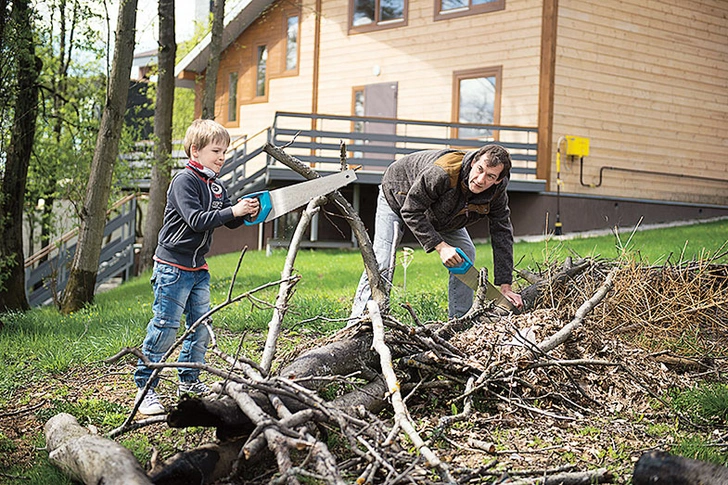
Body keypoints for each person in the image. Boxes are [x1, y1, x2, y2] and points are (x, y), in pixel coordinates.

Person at [134, 119, 260, 415]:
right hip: (172, 266)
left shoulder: (215, 186)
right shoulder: (184, 182)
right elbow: (197, 219)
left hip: (197, 268)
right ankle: (145, 387)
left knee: (201, 326)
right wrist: (233, 210)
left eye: (225, 151)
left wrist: (245, 212)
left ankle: (189, 381)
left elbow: (227, 219)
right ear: (195, 151)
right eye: (216, 150)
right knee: (165, 327)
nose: (222, 157)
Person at [350, 144, 523, 321]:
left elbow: (502, 231)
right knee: (383, 260)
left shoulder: (497, 193)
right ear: (473, 162)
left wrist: (505, 286)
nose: (480, 179)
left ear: (498, 180)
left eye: (490, 176)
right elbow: (411, 210)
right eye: (479, 170)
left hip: (442, 213)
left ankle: (459, 321)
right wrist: (440, 246)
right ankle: (358, 320)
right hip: (398, 195)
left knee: (466, 254)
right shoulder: (443, 172)